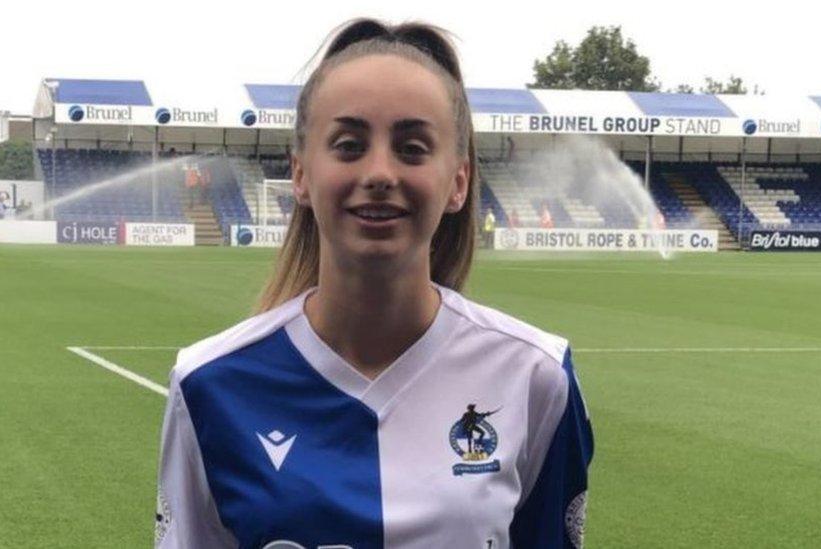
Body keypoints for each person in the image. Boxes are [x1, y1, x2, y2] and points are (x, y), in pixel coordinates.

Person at [156, 18, 593, 549]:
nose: (380, 172)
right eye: (347, 144)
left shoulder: (536, 376)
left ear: (458, 181)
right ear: (300, 174)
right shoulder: (208, 384)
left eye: (412, 148)